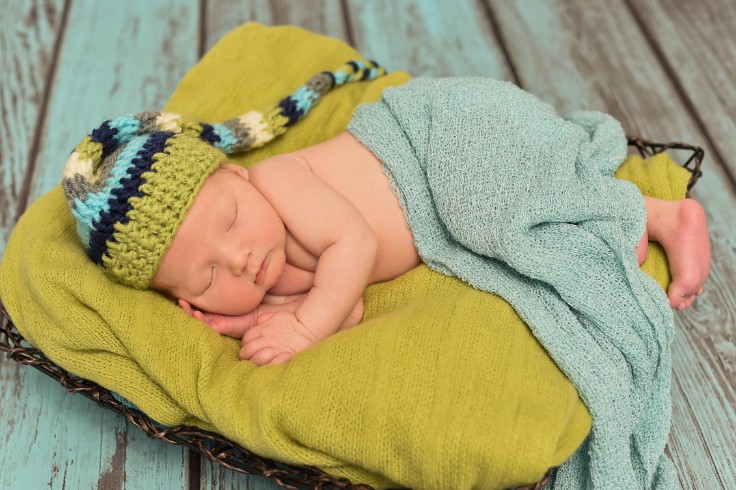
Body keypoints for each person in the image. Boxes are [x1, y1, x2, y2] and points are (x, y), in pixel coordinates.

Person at [62, 66, 710, 366]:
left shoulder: (277, 180)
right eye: (206, 277)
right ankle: (598, 226)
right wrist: (262, 322)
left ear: (234, 176)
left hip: (442, 139)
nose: (237, 258)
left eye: (229, 222)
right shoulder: (269, 278)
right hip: (435, 187)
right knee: (507, 217)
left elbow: (353, 245)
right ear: (181, 302)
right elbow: (345, 307)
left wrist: (303, 327)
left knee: (492, 208)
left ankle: (653, 215)